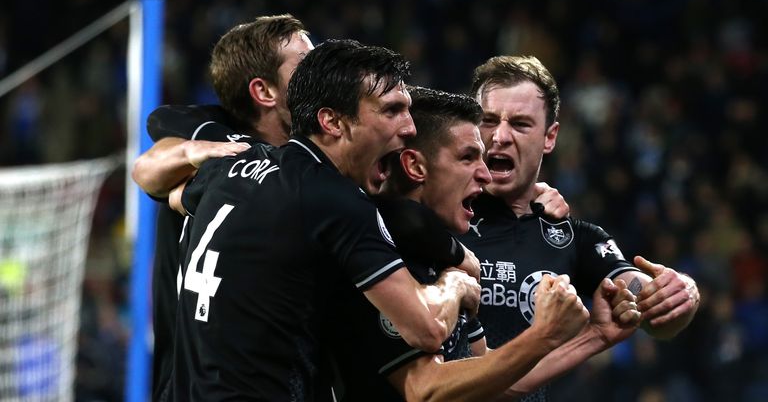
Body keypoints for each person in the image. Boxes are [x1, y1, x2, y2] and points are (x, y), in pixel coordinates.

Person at [169, 39, 480, 401]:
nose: (410, 128)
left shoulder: (226, 171)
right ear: (332, 121)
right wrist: (455, 283)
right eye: (391, 110)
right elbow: (426, 328)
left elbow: (176, 196)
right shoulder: (334, 200)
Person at [324, 86, 640, 401]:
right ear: (416, 166)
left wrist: (595, 337)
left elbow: (487, 379)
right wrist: (543, 335)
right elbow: (425, 390)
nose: (485, 174)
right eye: (467, 157)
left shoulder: (446, 261)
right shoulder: (382, 255)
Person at [458, 55, 701, 399]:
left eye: (521, 124)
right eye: (488, 120)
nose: (500, 136)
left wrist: (680, 293)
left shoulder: (573, 238)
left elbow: (649, 303)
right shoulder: (430, 220)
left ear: (549, 137)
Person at [131, 14, 313, 402]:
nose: (320, 74)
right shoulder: (209, 137)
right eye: (305, 64)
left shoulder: (315, 162)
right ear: (264, 91)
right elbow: (146, 168)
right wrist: (199, 153)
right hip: (196, 383)